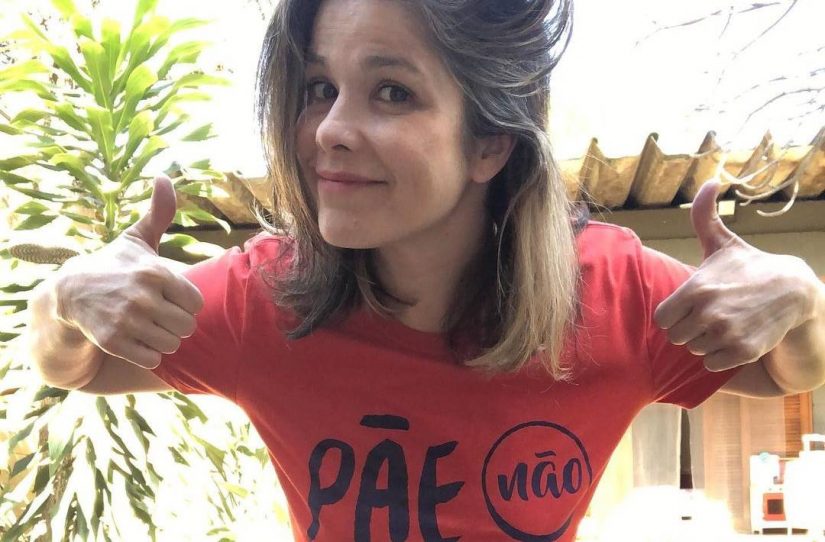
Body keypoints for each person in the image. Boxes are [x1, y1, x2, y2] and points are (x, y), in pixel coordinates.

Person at [25, 0, 825, 540]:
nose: (329, 130)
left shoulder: (616, 294)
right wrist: (63, 300)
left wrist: (800, 296)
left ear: (489, 144)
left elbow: (789, 370)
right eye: (320, 87)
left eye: (391, 92)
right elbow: (78, 366)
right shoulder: (262, 297)